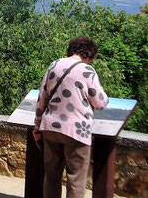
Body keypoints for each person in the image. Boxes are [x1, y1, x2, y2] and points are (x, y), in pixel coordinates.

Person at [33, 36, 109, 198]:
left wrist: (37, 126)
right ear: (89, 54)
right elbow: (100, 103)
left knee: (51, 177)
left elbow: (42, 98)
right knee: (76, 181)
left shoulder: (54, 65)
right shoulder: (87, 71)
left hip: (51, 127)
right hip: (77, 131)